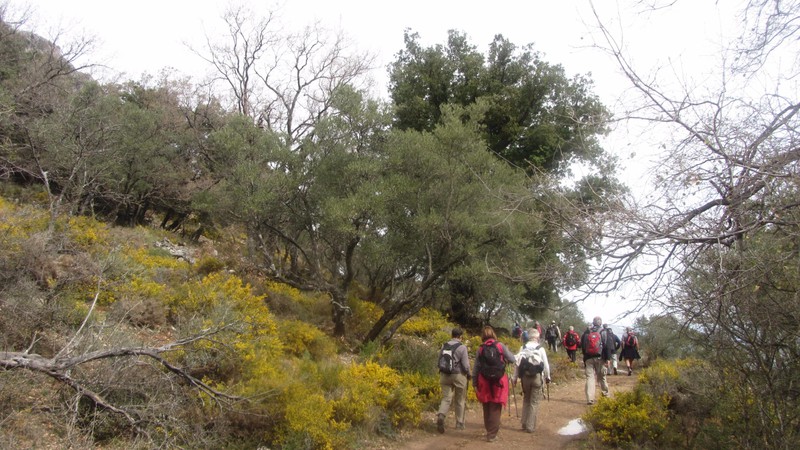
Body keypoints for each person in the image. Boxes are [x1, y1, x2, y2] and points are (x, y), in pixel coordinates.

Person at [472, 325, 516, 442]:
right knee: (496, 406)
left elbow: (476, 367)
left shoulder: (480, 349)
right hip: (499, 381)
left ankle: (489, 430)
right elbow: (512, 359)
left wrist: (474, 383)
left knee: (486, 405)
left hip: (484, 380)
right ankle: (492, 435)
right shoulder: (500, 346)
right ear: (493, 334)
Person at [512, 328, 550, 433]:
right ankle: (530, 426)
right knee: (534, 402)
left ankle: (524, 423)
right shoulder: (540, 349)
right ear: (537, 337)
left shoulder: (522, 347)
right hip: (537, 377)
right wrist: (548, 377)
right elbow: (546, 365)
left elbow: (517, 364)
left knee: (526, 399)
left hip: (525, 378)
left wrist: (514, 378)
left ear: (528, 337)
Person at [436, 328, 471, 433]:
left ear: (452, 335)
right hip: (458, 376)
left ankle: (441, 415)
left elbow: (439, 361)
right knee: (460, 399)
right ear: (460, 336)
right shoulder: (462, 347)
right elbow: (465, 365)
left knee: (446, 398)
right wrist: (469, 374)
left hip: (444, 375)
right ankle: (459, 423)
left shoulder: (444, 345)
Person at [581, 316, 610, 405]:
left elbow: (582, 345)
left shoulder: (587, 332)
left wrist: (585, 358)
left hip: (588, 358)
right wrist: (608, 359)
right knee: (601, 376)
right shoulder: (603, 331)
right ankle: (605, 394)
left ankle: (590, 399)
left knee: (590, 378)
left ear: (593, 323)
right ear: (600, 323)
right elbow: (606, 346)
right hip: (600, 358)